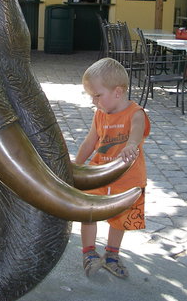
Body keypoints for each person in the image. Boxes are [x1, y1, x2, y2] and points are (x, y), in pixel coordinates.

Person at [74, 57, 150, 279]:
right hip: (98, 173)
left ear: (117, 92)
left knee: (120, 217)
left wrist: (131, 145)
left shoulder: (135, 112)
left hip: (127, 176)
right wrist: (77, 166)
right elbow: (89, 142)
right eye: (91, 96)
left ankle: (111, 255)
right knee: (88, 211)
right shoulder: (100, 114)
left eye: (97, 95)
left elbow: (137, 129)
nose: (94, 101)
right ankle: (88, 253)